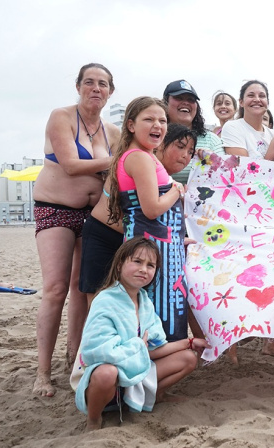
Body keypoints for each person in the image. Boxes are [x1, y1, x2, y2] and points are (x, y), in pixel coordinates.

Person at [33, 63, 120, 397]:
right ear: (78, 86)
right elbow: (69, 165)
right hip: (56, 209)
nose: (95, 88)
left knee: (82, 288)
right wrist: (113, 162)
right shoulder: (62, 117)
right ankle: (42, 372)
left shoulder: (112, 132)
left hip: (93, 215)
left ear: (111, 91)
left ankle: (74, 357)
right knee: (55, 288)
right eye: (89, 82)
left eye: (102, 84)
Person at [71, 237, 209, 431]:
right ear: (119, 264)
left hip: (133, 371)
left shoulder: (144, 302)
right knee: (106, 373)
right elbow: (96, 352)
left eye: (150, 265)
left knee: (188, 358)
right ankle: (94, 419)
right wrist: (137, 345)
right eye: (137, 261)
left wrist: (190, 342)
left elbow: (150, 351)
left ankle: (155, 396)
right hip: (105, 380)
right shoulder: (104, 300)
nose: (144, 269)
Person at [79, 124, 197, 304]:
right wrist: (177, 190)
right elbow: (151, 211)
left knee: (133, 306)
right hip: (104, 235)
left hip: (134, 243)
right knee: (100, 305)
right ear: (160, 144)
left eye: (191, 152)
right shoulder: (140, 161)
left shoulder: (164, 178)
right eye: (180, 147)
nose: (185, 156)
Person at [105, 97, 188, 341]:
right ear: (131, 125)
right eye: (149, 119)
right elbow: (151, 209)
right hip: (152, 245)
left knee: (157, 303)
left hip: (161, 245)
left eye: (162, 120)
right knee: (156, 303)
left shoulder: (144, 156)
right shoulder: (139, 157)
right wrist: (176, 189)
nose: (158, 126)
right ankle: (157, 363)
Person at [163, 80, 224, 184]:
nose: (186, 102)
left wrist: (214, 161)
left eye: (191, 99)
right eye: (179, 98)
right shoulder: (156, 137)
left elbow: (225, 176)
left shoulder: (212, 139)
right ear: (165, 103)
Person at [221, 80, 274, 158]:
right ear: (241, 102)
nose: (257, 99)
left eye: (262, 96)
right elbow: (243, 166)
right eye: (251, 95)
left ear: (268, 103)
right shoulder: (232, 127)